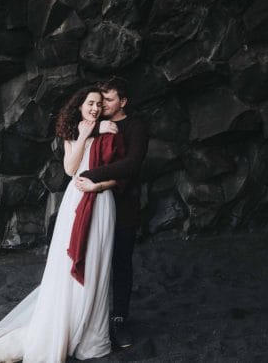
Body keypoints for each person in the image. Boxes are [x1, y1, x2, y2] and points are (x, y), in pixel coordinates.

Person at [0, 87, 123, 362]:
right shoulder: (73, 134)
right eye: (90, 103)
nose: (95, 108)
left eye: (99, 104)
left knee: (98, 264)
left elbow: (120, 172)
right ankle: (67, 324)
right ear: (80, 106)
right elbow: (70, 168)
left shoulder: (109, 132)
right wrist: (87, 133)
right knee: (67, 266)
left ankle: (90, 334)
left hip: (101, 202)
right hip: (76, 200)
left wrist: (98, 175)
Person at [75, 76, 148, 348]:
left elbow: (131, 164)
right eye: (100, 99)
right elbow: (72, 136)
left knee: (120, 263)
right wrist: (95, 131)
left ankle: (119, 321)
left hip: (123, 204)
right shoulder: (92, 121)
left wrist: (93, 175)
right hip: (91, 205)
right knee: (92, 260)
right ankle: (90, 319)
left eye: (109, 99)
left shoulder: (136, 125)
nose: (102, 104)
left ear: (123, 102)